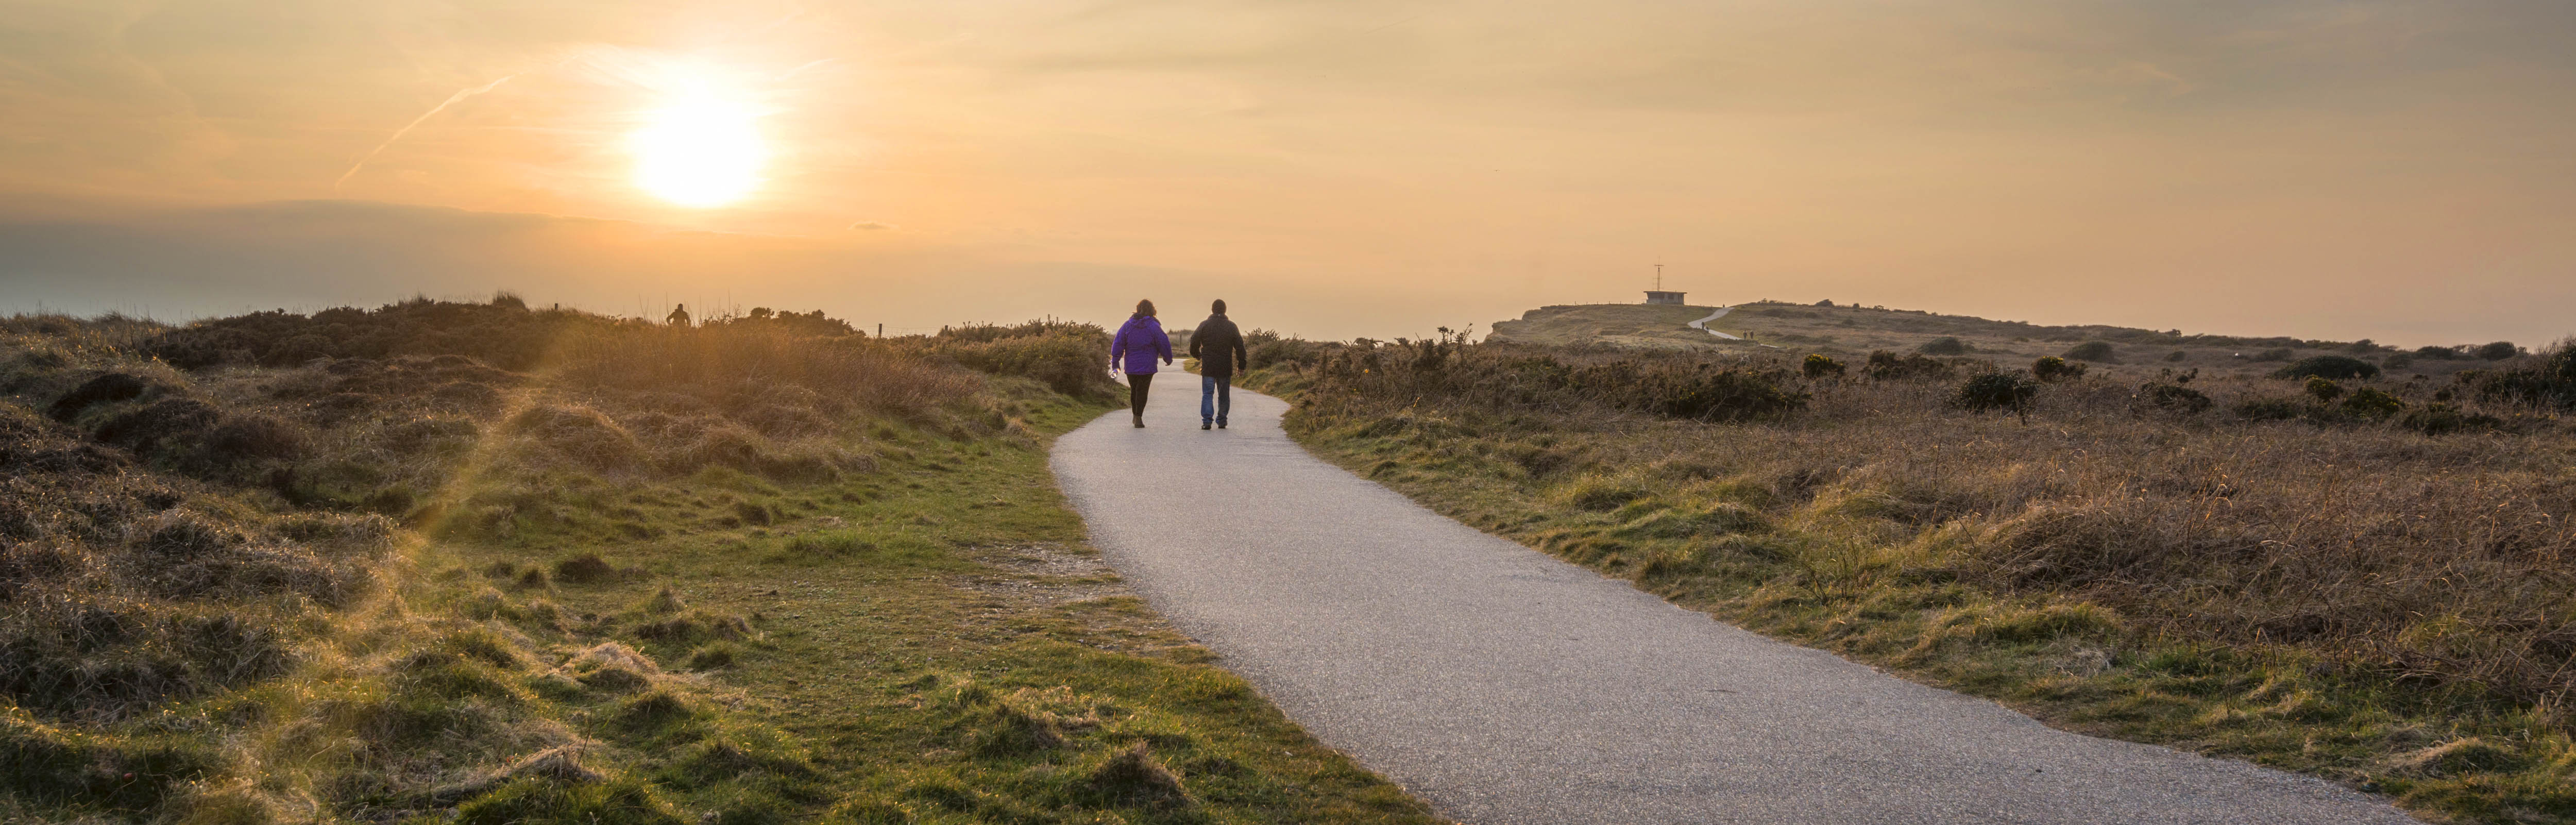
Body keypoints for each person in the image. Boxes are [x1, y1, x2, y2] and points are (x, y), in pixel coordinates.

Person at [1109, 299, 1172, 428]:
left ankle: (1135, 415)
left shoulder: (1127, 326)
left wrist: (1116, 362)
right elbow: (1163, 342)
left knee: (1135, 390)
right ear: (1152, 311)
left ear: (1138, 310)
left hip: (1131, 365)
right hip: (1148, 365)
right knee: (1142, 391)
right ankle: (1138, 416)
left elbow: (1118, 343)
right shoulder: (1154, 326)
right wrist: (1168, 358)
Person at [1188, 298, 1248, 430]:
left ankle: (1207, 421)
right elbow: (1240, 347)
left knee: (1208, 393)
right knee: (1224, 394)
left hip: (1208, 365)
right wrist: (1241, 365)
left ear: (1212, 310)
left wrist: (1198, 355)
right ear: (1225, 310)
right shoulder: (1232, 326)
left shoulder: (1204, 325)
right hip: (1225, 366)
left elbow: (1194, 342)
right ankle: (1222, 420)